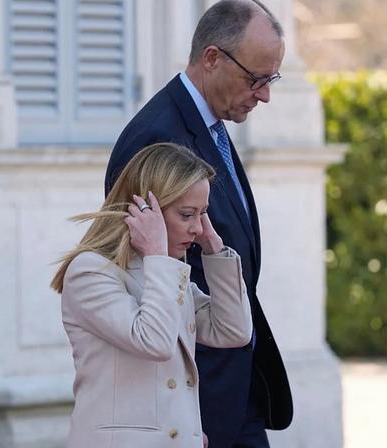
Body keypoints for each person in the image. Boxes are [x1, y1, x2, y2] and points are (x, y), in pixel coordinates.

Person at [104, 1, 293, 447]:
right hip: (194, 399)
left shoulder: (210, 119)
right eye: (256, 79)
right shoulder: (158, 136)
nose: (264, 94)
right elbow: (140, 278)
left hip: (233, 380)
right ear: (212, 58)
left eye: (272, 79)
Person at [52, 143, 253, 448]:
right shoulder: (90, 272)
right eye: (187, 214)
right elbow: (155, 341)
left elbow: (234, 330)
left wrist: (215, 249)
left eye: (203, 214)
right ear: (147, 210)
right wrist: (157, 253)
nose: (197, 228)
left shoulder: (165, 274)